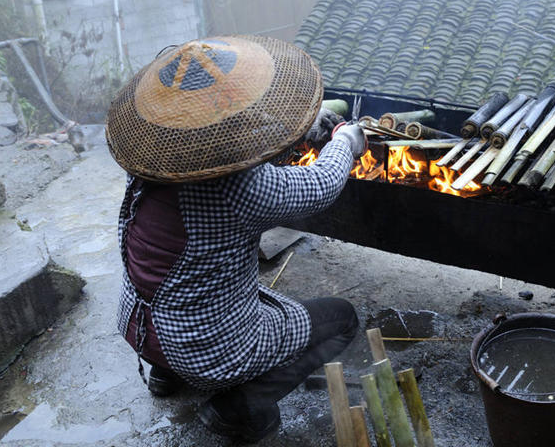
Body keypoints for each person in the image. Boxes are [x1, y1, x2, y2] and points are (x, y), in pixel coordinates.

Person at [105, 35, 367, 442]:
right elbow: (319, 184)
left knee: (185, 286)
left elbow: (233, 146)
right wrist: (344, 144)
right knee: (342, 320)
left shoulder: (150, 163)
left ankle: (165, 374)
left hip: (138, 323)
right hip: (201, 343)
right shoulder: (241, 191)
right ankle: (237, 407)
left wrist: (298, 133)